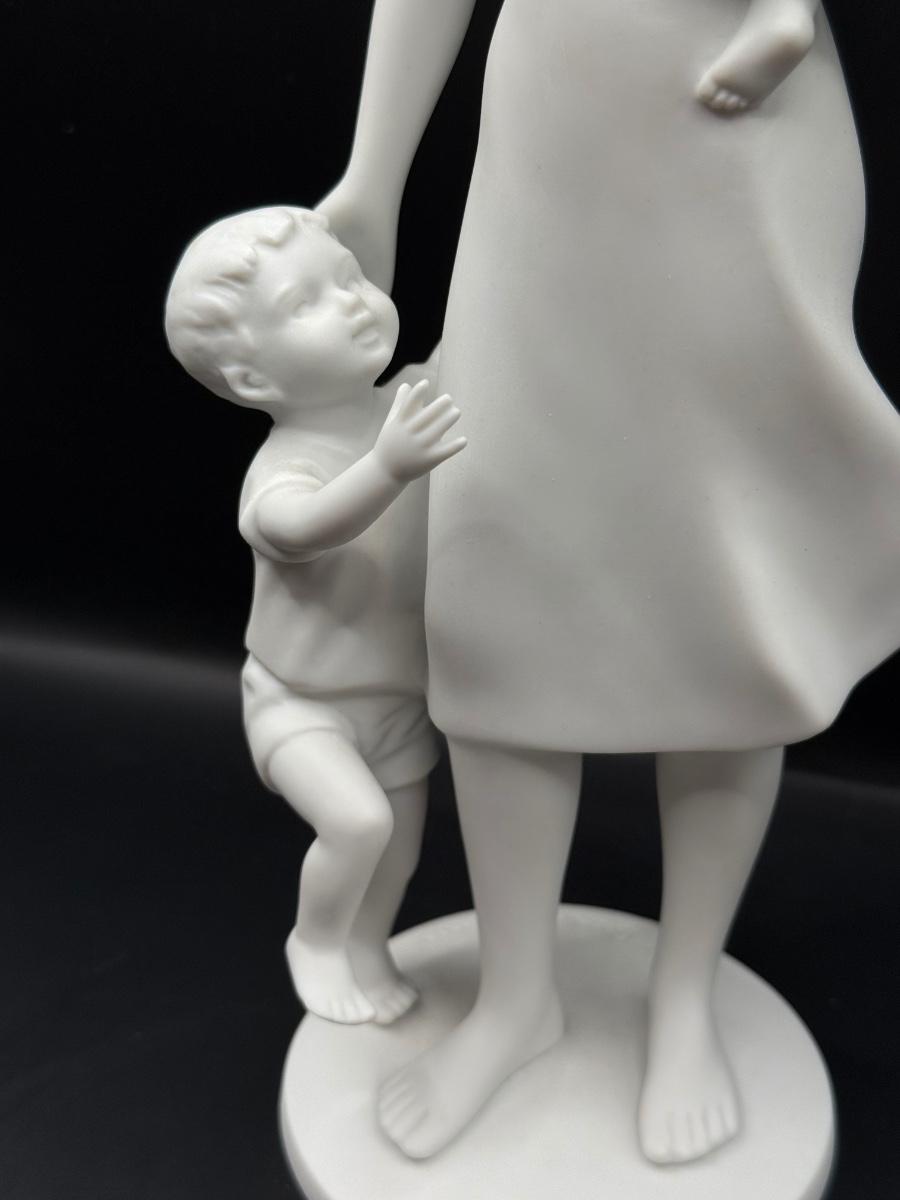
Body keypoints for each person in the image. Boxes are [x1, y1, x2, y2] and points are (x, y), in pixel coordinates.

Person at [319, 0, 900, 1164]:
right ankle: (515, 995)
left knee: (732, 568)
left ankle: (685, 993)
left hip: (740, 129)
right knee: (504, 544)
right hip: (558, 123)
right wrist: (373, 171)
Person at [165, 206, 465, 1026]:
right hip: (300, 705)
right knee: (359, 823)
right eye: (307, 303)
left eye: (349, 278)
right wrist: (388, 468)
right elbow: (298, 530)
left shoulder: (408, 402)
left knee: (398, 849)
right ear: (253, 380)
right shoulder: (284, 469)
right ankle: (317, 941)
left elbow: (469, 346)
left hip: (398, 698)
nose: (354, 301)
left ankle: (366, 944)